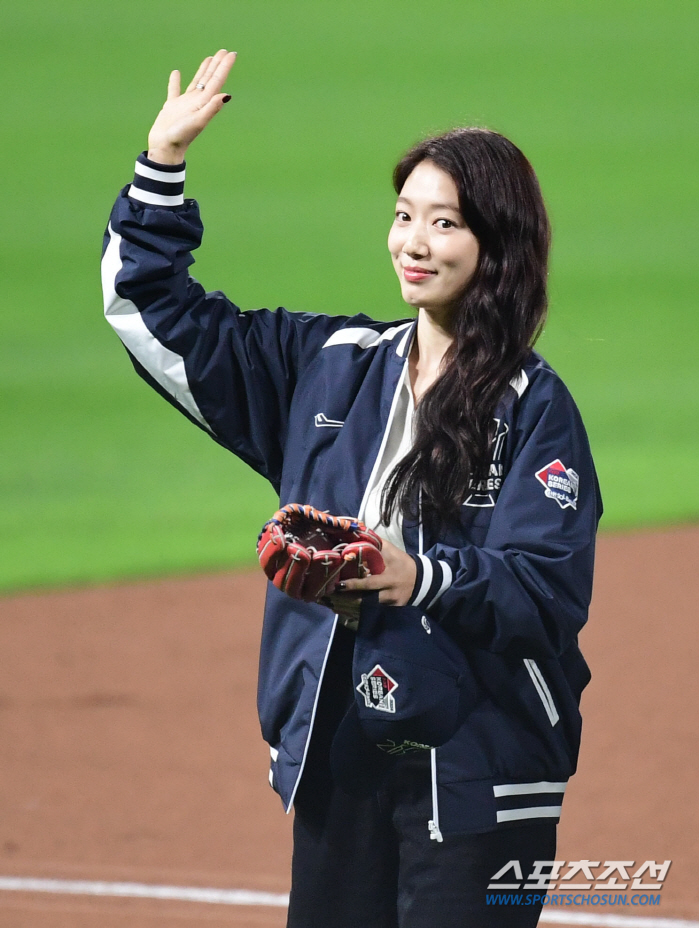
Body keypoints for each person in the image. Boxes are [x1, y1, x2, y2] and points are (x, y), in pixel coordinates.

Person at [102, 49, 602, 928]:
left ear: (496, 245)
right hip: (344, 754)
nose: (414, 241)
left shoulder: (535, 408)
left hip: (482, 775)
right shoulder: (328, 372)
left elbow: (545, 591)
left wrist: (415, 575)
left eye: (444, 223)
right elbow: (155, 313)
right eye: (405, 214)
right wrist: (162, 166)